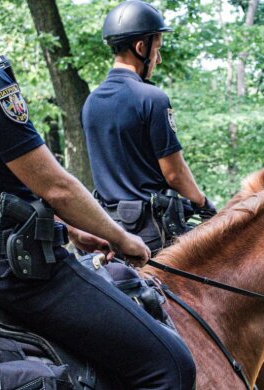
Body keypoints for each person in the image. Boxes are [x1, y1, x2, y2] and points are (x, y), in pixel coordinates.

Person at [0, 1, 196, 388]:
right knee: (171, 363)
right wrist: (123, 239)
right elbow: (56, 186)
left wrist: (70, 231)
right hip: (24, 275)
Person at [82, 0, 217, 254]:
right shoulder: (152, 99)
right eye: (157, 49)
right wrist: (204, 205)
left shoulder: (91, 102)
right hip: (152, 234)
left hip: (108, 231)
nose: (159, 59)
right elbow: (174, 174)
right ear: (141, 47)